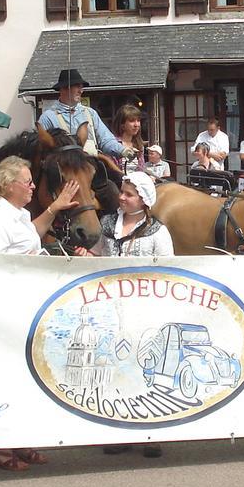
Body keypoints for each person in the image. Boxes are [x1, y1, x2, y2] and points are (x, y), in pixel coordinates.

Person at [0, 156, 80, 470]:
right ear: (8, 185)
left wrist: (54, 208)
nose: (33, 186)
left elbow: (30, 235)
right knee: (5, 379)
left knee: (24, 378)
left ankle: (19, 440)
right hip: (6, 309)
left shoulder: (17, 215)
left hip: (26, 307)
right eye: (27, 181)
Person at [75, 171, 173, 458]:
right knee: (115, 368)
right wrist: (87, 255)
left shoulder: (157, 231)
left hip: (145, 310)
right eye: (122, 192)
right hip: (111, 308)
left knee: (145, 368)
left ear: (143, 200)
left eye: (129, 194)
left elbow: (168, 270)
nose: (122, 197)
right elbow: (98, 254)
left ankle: (151, 432)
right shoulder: (108, 224)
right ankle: (118, 430)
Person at [36, 68, 123, 157]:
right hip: (62, 167)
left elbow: (106, 140)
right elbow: (40, 148)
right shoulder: (48, 117)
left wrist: (122, 150)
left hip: (92, 165)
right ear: (64, 88)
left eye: (81, 87)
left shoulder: (90, 113)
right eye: (77, 86)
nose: (81, 91)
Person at [111, 104, 146, 172]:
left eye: (138, 120)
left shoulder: (139, 145)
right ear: (122, 125)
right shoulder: (114, 144)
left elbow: (141, 169)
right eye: (132, 121)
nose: (136, 125)